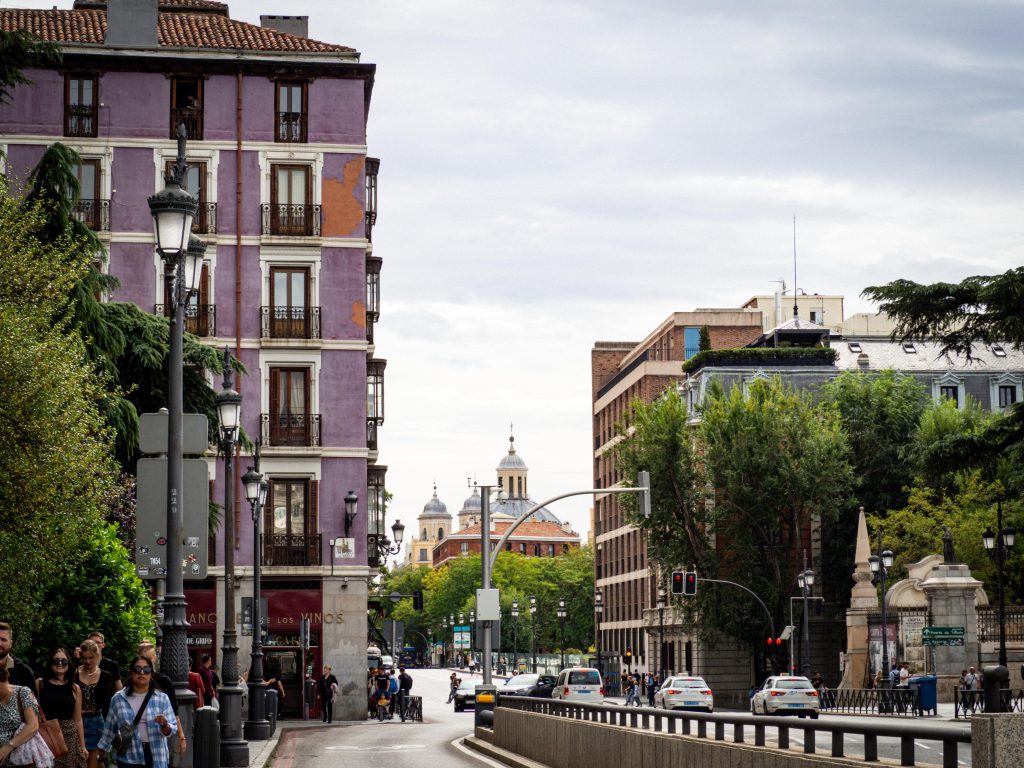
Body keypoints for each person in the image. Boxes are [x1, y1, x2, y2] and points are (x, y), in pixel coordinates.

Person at [95, 656, 177, 768]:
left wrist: (165, 724)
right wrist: (101, 758)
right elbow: (109, 730)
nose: (142, 672)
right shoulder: (118, 699)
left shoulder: (162, 698)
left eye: (146, 669)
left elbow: (172, 728)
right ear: (131, 672)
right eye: (137, 669)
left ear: (151, 674)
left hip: (156, 756)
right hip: (128, 757)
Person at [37, 646, 88, 768]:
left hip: (69, 737)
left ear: (69, 664)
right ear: (50, 663)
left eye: (64, 661)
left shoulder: (75, 688)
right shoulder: (40, 684)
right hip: (47, 736)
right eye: (56, 660)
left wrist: (82, 745)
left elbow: (78, 719)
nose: (60, 663)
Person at [76, 639, 117, 768]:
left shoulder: (106, 676)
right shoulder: (74, 673)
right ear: (80, 656)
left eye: (91, 658)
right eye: (84, 658)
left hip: (96, 720)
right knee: (76, 759)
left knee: (93, 760)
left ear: (97, 656)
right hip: (77, 720)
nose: (87, 661)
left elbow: (108, 704)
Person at [0, 665, 41, 766]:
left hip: (22, 759)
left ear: (4, 680)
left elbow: (33, 726)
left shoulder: (23, 692)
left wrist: (9, 746)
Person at [0, 622, 36, 689]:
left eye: (3, 640)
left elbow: (31, 698)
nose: (0, 643)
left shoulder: (24, 672)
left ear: (11, 643)